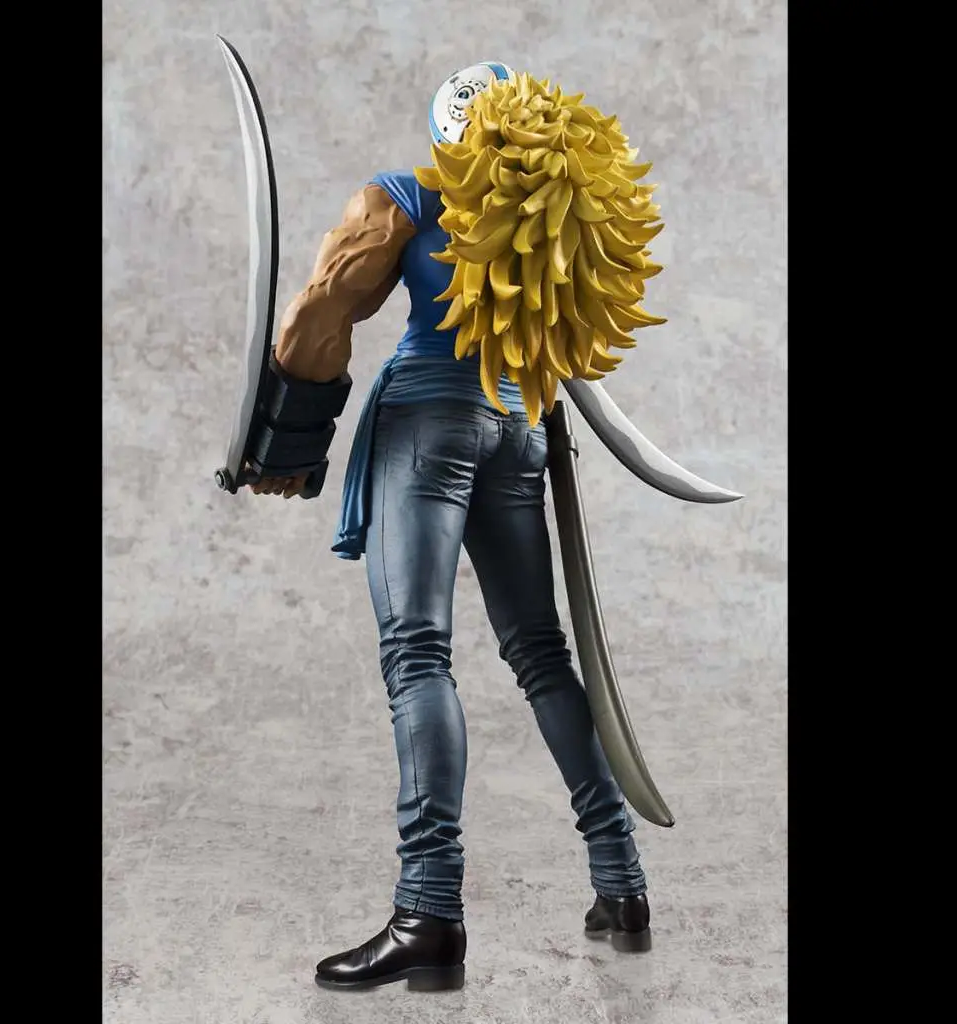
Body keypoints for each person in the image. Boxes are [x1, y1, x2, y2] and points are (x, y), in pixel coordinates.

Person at [250, 63, 668, 992]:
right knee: (541, 654)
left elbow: (321, 313)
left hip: (429, 424)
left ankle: (427, 914)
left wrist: (280, 436)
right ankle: (622, 885)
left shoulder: (407, 198)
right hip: (518, 427)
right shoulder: (563, 216)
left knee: (417, 654)